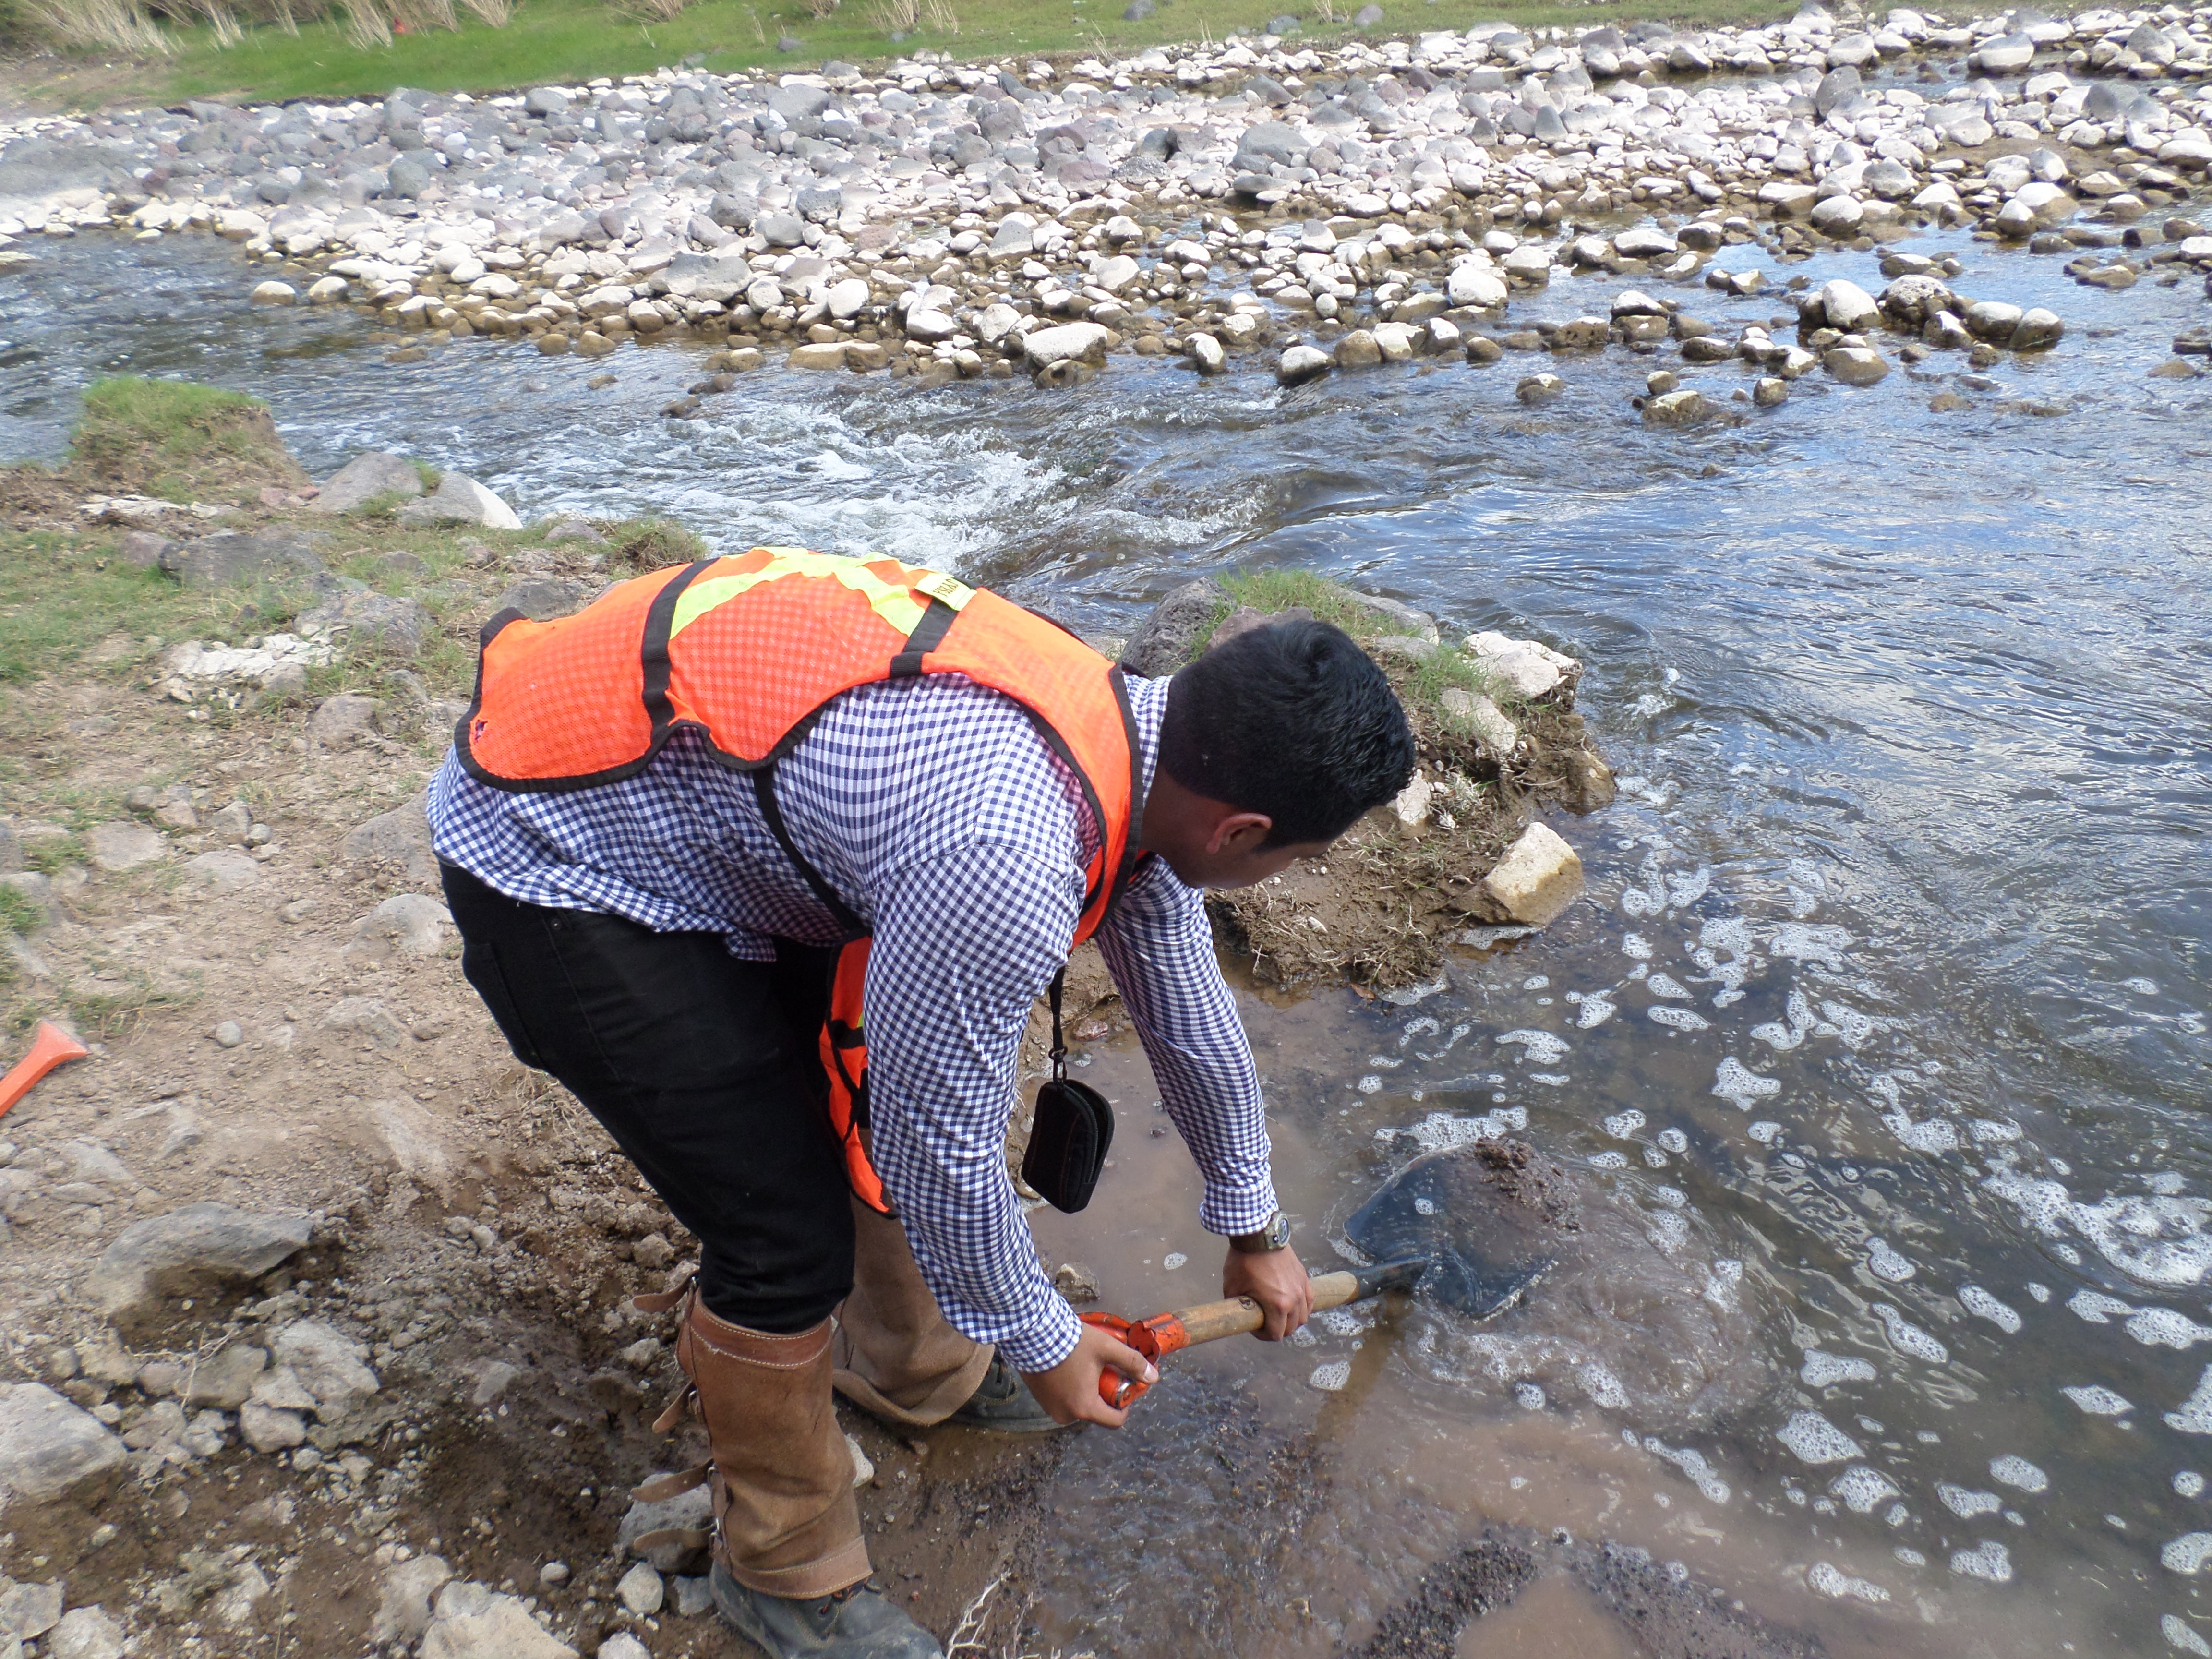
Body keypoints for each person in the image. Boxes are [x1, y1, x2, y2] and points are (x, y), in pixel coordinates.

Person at [426, 547, 1415, 1659]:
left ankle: (912, 1366)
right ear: (1238, 832)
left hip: (712, 798)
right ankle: (785, 1570)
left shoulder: (1136, 749)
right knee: (780, 1234)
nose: (1294, 873)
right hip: (558, 853)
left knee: (859, 1090)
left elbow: (1188, 1015)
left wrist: (1256, 1227)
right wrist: (1044, 1340)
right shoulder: (1008, 852)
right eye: (1305, 854)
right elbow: (934, 1144)